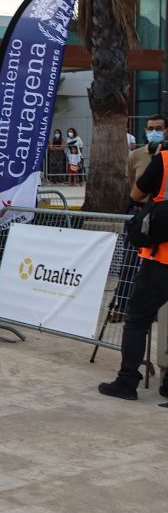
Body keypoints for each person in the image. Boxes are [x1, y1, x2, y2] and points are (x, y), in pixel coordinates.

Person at [98, 138, 168, 401]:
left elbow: (136, 195)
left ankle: (127, 381)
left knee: (137, 319)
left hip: (161, 259)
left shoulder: (163, 160)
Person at [112, 114, 167, 320]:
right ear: (145, 130)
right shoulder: (135, 156)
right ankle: (122, 306)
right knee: (129, 263)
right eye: (151, 128)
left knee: (155, 270)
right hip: (140, 214)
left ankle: (152, 311)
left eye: (159, 128)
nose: (155, 132)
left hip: (161, 220)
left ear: (166, 131)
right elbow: (134, 186)